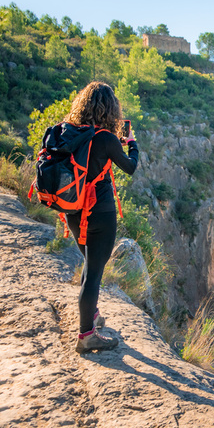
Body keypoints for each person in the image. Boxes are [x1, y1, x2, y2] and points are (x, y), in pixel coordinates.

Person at [62, 82, 139, 354]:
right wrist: (132, 144)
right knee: (94, 272)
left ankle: (91, 317)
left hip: (73, 211)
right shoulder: (106, 138)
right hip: (100, 212)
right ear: (112, 109)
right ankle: (87, 336)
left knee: (89, 264)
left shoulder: (70, 133)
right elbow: (129, 168)